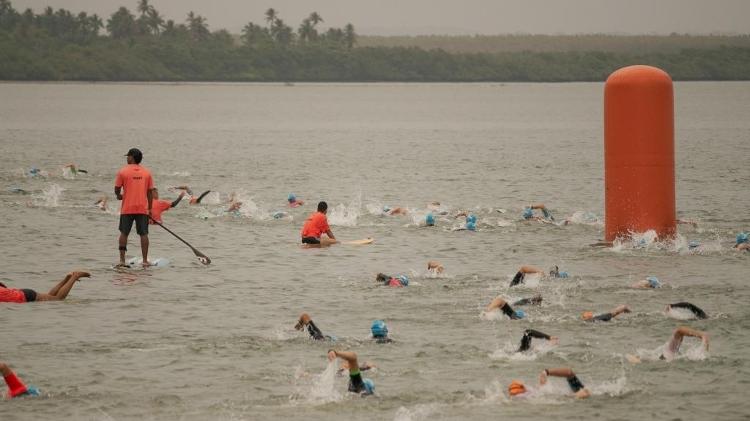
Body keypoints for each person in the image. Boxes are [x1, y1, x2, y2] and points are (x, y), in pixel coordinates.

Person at [115, 148, 154, 267]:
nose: (127, 158)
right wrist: (150, 209)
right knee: (144, 234)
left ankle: (122, 260)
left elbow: (117, 188)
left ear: (132, 157)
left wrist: (119, 195)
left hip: (127, 208)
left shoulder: (122, 172)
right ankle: (145, 261)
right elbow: (150, 193)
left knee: (124, 233)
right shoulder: (147, 173)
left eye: (128, 156)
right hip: (142, 208)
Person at [0, 271, 90, 303]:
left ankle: (75, 276)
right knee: (51, 298)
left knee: (58, 299)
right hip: (21, 293)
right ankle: (68, 278)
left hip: (25, 296)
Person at [508, 367, 590, 399]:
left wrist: (545, 372)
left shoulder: (541, 391)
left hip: (576, 393)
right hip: (576, 394)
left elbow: (569, 372)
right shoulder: (540, 392)